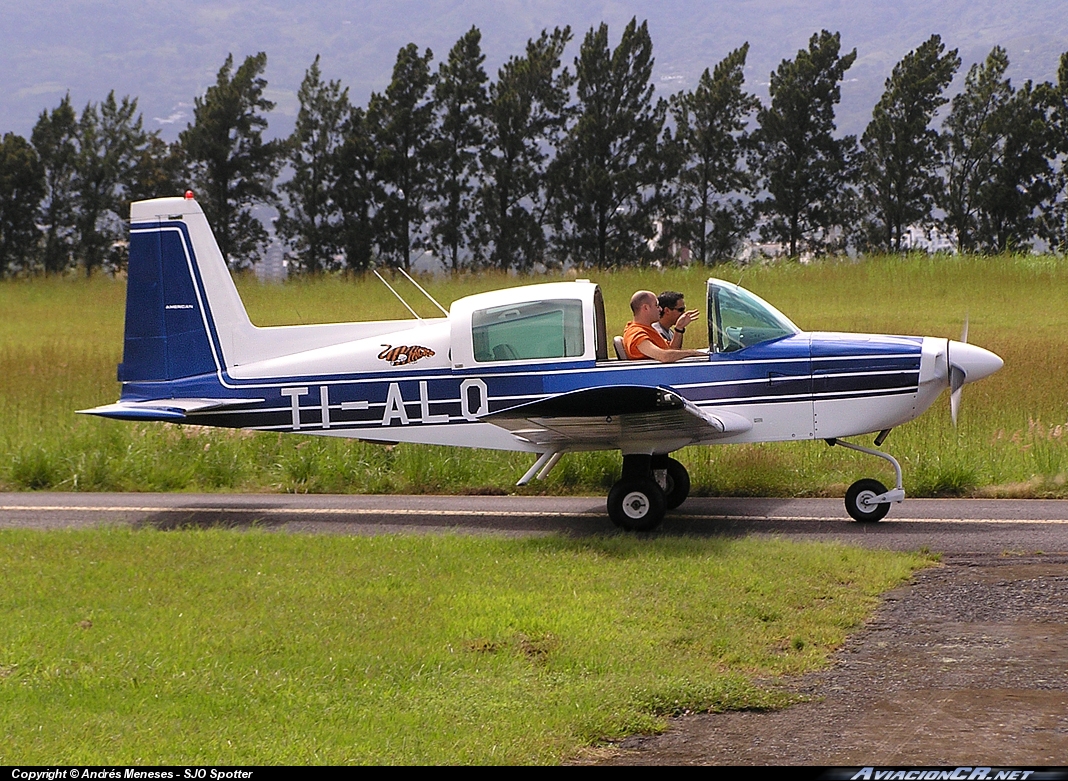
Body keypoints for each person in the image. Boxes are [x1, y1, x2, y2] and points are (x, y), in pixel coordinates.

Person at [622, 290, 705, 362]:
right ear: (646, 308)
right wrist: (694, 353)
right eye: (657, 305)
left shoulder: (648, 329)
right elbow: (664, 356)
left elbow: (670, 349)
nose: (660, 309)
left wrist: (679, 328)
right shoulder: (636, 334)